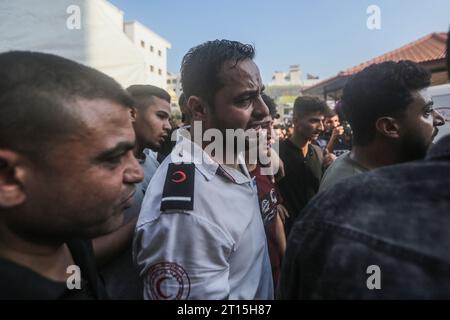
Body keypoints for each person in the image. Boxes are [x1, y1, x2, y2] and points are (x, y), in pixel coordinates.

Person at [279, 31, 450, 299]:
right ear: (389, 127)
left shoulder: (328, 161)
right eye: (427, 112)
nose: (438, 123)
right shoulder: (345, 197)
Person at [133, 40, 274, 300]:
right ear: (199, 109)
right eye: (245, 99)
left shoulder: (231, 149)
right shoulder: (185, 214)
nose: (264, 110)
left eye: (260, 94)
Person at [0, 51, 144, 299]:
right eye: (112, 158)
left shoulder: (68, 238)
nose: (137, 173)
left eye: (132, 152)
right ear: (9, 179)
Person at [319, 60, 445, 192]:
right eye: (427, 111)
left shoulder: (366, 174)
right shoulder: (360, 196)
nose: (440, 119)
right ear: (389, 127)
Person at [98, 84, 172, 299]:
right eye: (161, 116)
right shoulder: (99, 171)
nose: (168, 126)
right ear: (131, 113)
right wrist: (144, 219)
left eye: (168, 118)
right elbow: (81, 257)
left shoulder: (155, 164)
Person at [278, 96, 334, 236]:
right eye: (314, 120)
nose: (321, 127)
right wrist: (274, 204)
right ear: (296, 121)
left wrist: (333, 166)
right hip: (286, 236)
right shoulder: (274, 152)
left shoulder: (320, 153)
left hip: (314, 234)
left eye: (322, 121)